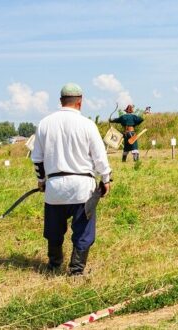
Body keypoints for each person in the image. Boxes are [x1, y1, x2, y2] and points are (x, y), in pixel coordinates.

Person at [31, 83, 112, 275]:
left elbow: (37, 159)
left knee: (54, 230)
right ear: (80, 102)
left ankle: (54, 265)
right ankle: (76, 271)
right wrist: (106, 179)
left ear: (61, 101)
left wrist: (42, 181)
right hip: (82, 188)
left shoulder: (45, 123)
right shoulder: (87, 124)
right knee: (83, 230)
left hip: (55, 189)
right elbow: (100, 157)